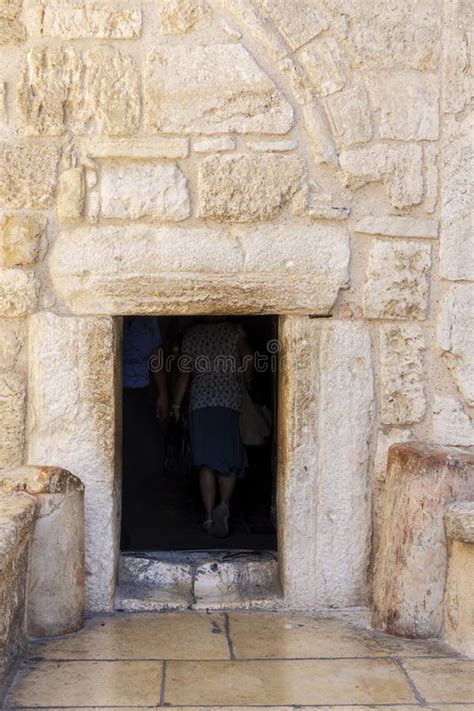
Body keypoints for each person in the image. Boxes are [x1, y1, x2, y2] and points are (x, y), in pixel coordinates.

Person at [172, 317, 253, 538]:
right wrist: (248, 381)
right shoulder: (235, 331)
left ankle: (208, 517)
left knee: (206, 462)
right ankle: (224, 505)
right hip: (229, 402)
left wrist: (176, 404)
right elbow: (248, 358)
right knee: (228, 459)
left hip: (201, 404)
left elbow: (184, 374)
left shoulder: (192, 335)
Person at [121, 316, 168, 545]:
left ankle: (137, 511)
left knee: (146, 453)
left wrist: (163, 394)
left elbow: (156, 357)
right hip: (112, 392)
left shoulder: (148, 321)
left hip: (139, 392)